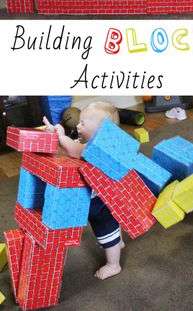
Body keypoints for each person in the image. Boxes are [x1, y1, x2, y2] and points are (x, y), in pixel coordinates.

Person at [43, 101, 124, 281]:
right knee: (112, 222)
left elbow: (74, 150)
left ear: (101, 131)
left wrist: (61, 136)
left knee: (105, 230)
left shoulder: (95, 148)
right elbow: (77, 145)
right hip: (105, 195)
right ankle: (117, 240)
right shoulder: (99, 143)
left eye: (83, 124)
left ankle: (113, 264)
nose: (78, 126)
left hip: (99, 201)